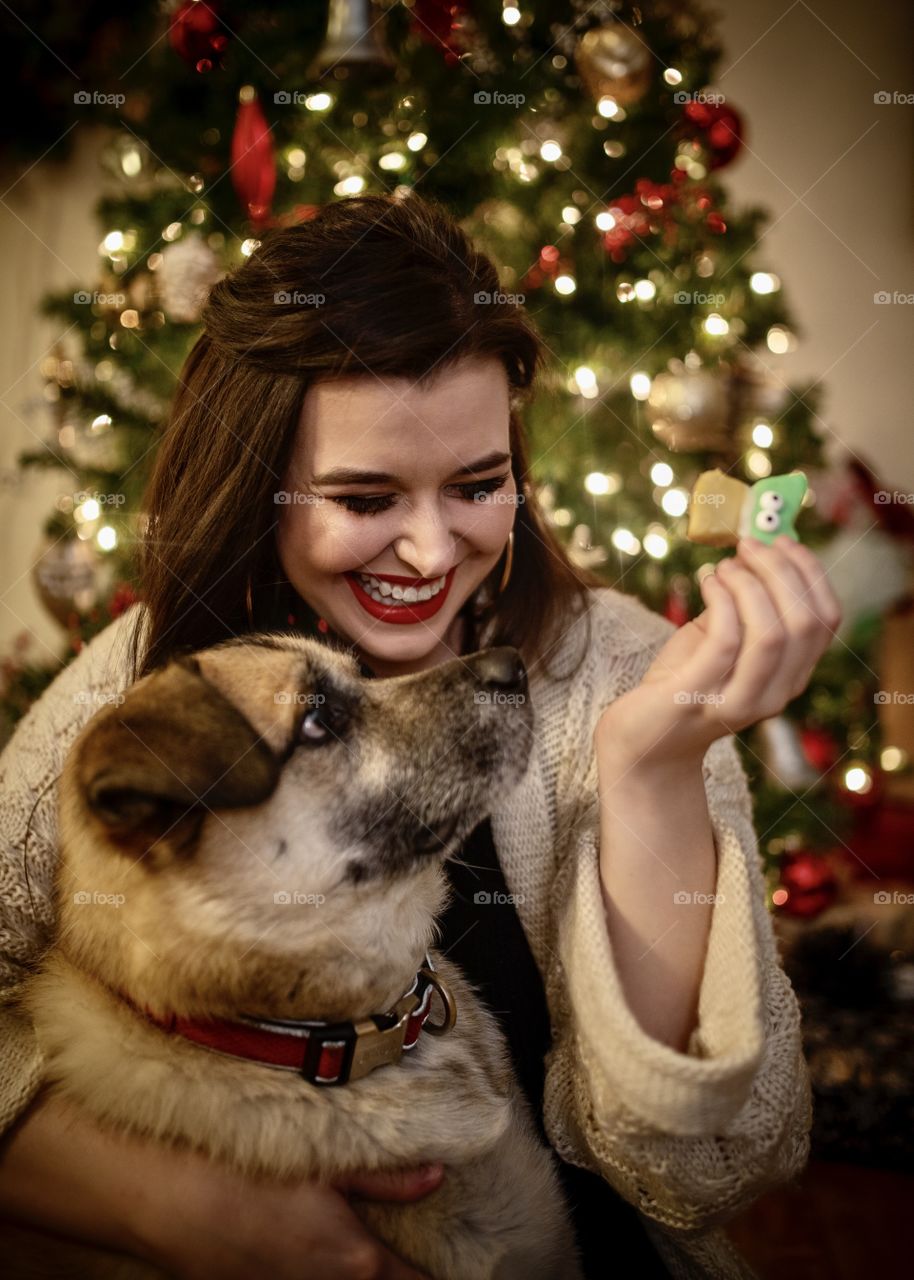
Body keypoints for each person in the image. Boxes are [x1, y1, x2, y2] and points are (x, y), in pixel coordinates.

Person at [0, 192, 840, 1279]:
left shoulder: (631, 668)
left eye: (478, 484)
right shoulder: (141, 685)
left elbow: (701, 1170)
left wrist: (652, 771)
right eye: (363, 495)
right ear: (261, 482)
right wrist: (175, 1207)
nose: (433, 550)